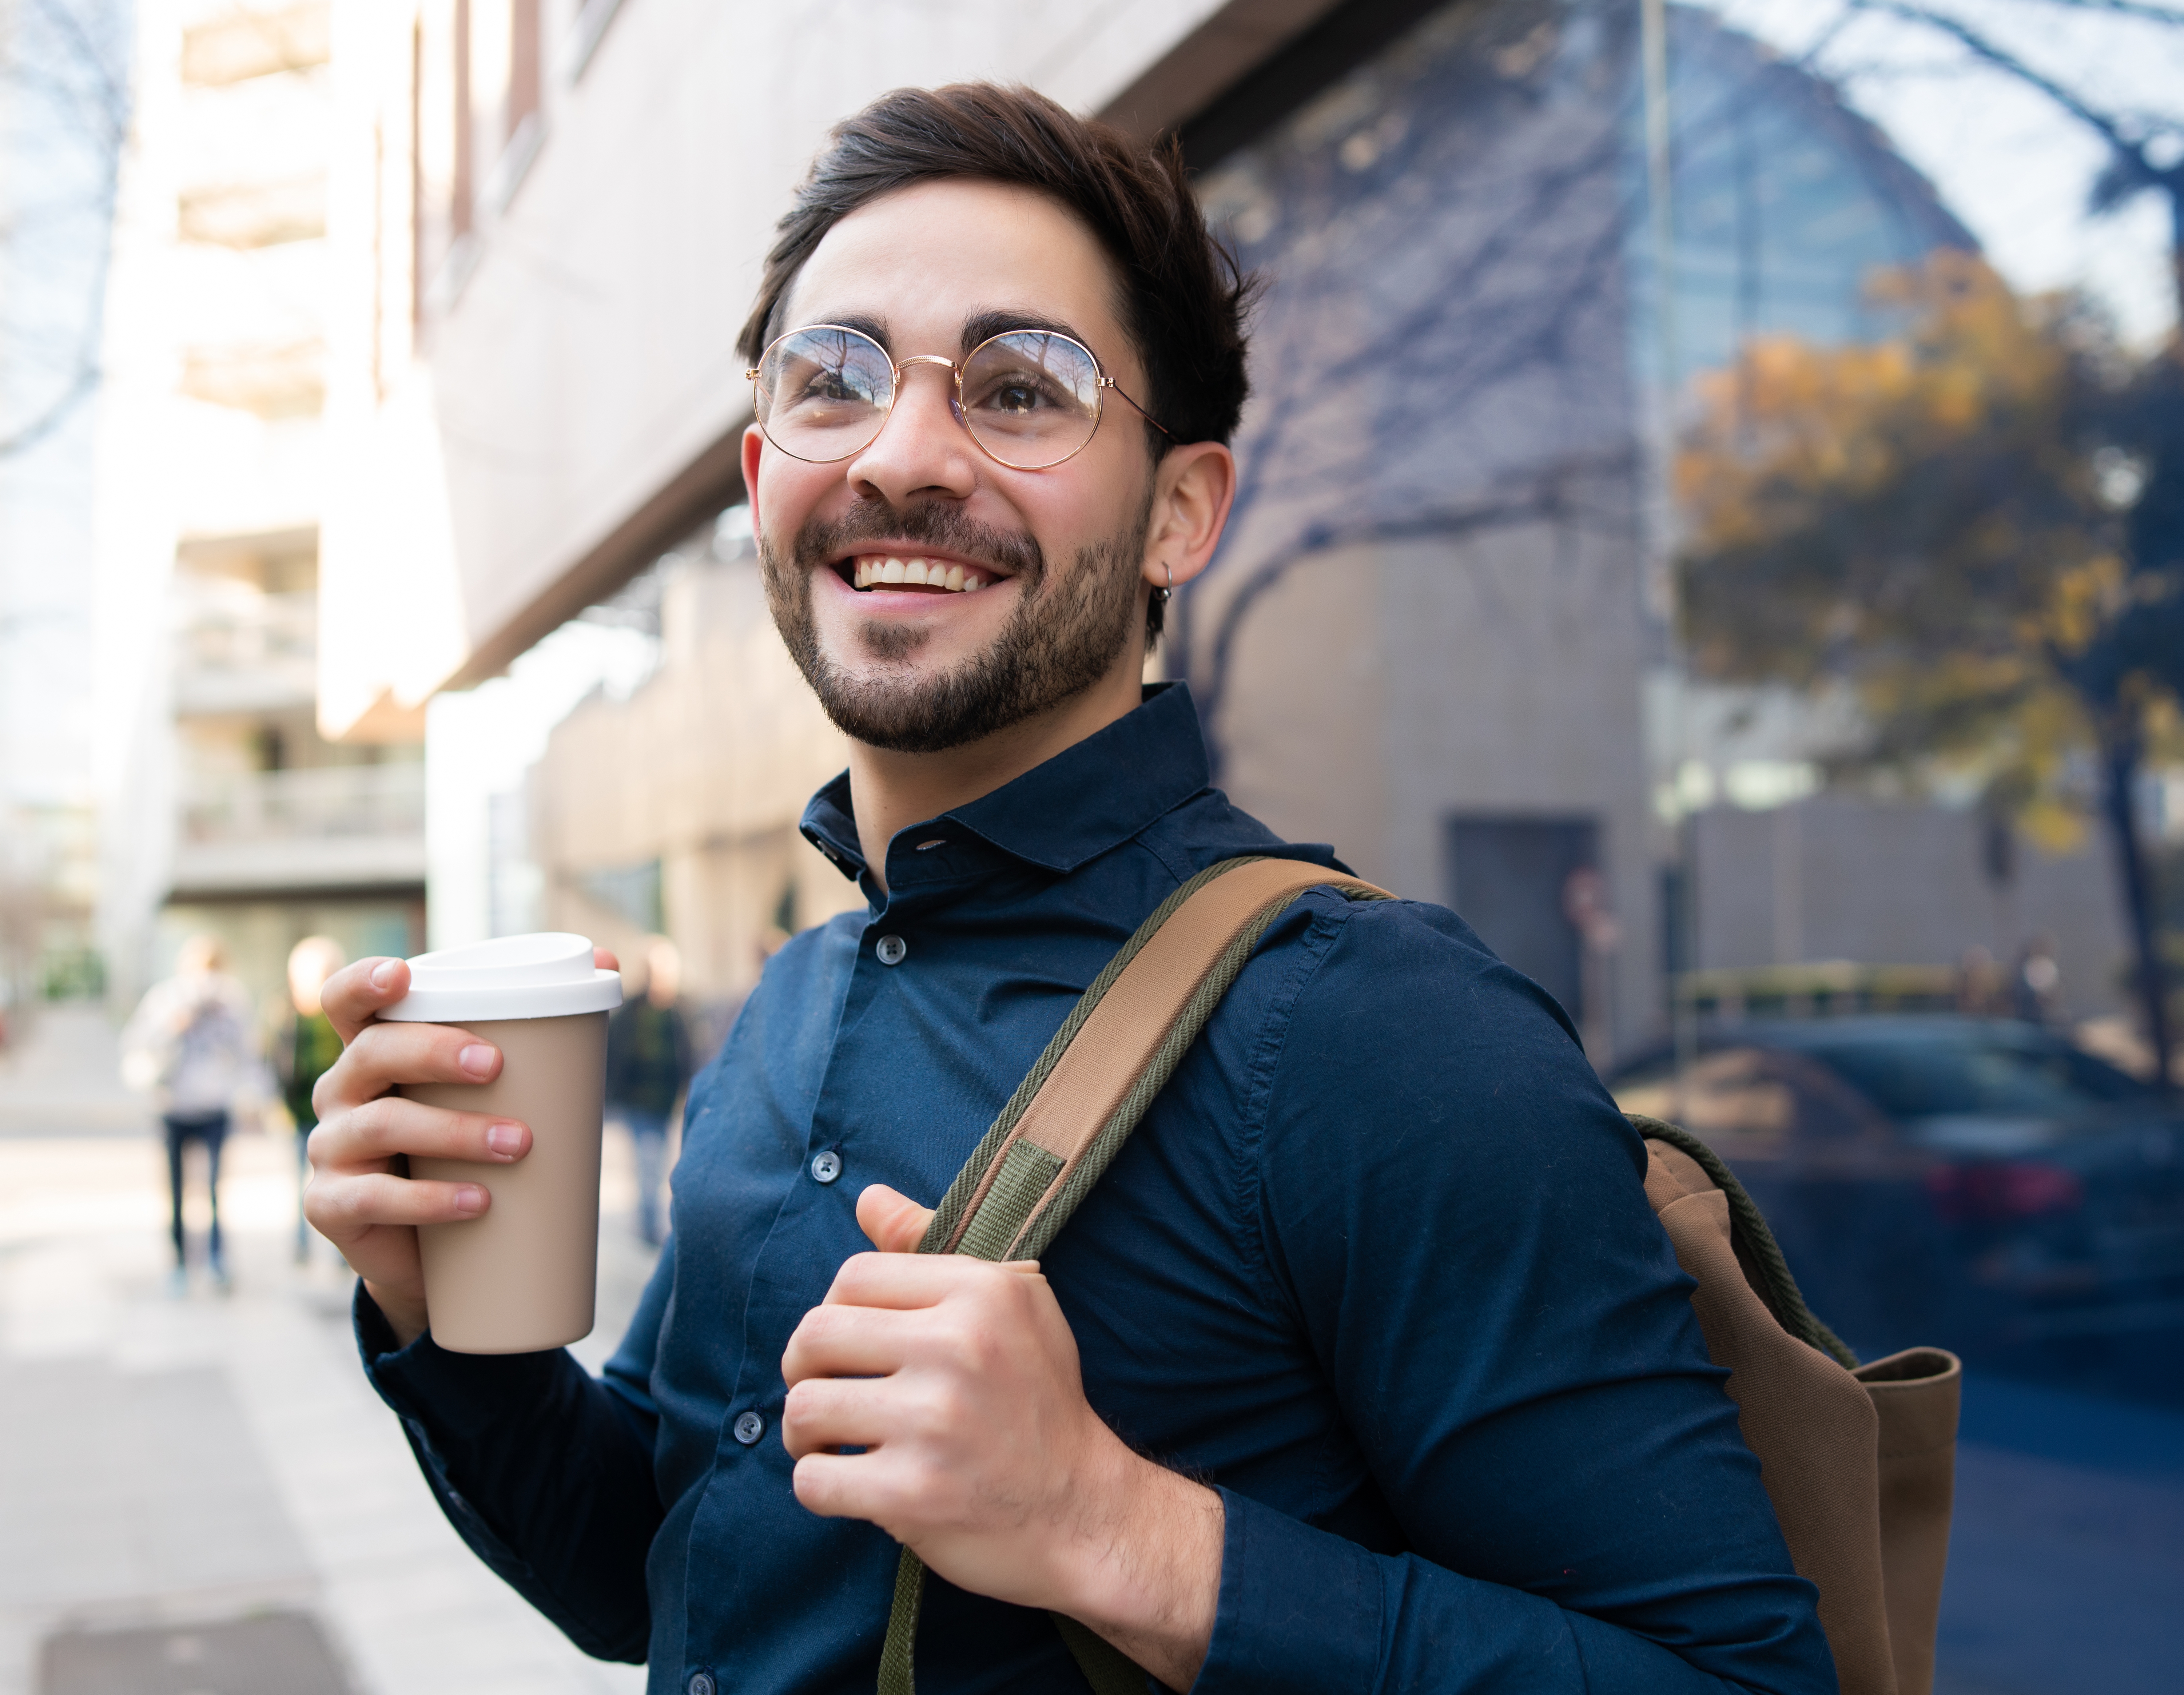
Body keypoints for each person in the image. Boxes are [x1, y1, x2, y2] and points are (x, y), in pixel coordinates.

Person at [305, 86, 1834, 1695]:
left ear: (1179, 512)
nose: (900, 454)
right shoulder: (788, 1013)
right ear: (764, 474)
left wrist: (1123, 1531)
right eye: (833, 382)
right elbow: (662, 1573)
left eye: (1020, 388)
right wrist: (445, 1326)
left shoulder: (1376, 1033)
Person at [123, 934, 268, 1292]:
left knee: (216, 1190)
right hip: (173, 1107)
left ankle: (217, 1261)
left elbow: (248, 1054)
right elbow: (137, 1043)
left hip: (215, 1107)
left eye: (213, 971)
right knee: (176, 1191)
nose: (206, 980)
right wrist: (174, 1026)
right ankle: (179, 1264)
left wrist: (255, 1096)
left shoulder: (231, 1003)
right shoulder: (166, 999)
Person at [605, 935, 693, 1247]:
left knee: (659, 1163)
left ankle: (650, 1221)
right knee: (648, 1162)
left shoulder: (678, 1011)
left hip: (665, 1102)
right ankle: (647, 1225)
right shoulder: (632, 1010)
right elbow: (614, 1050)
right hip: (637, 1102)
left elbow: (689, 1056)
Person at [279, 935, 348, 1264]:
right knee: (301, 1185)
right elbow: (279, 1065)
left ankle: (341, 1249)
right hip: (302, 1113)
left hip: (336, 1115)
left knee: (341, 1182)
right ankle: (301, 1242)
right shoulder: (289, 1017)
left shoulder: (340, 1018)